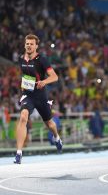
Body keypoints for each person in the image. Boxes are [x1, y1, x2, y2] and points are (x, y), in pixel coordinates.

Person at [14, 34, 63, 164]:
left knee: (50, 124)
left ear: (36, 46)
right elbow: (26, 75)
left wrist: (45, 82)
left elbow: (55, 77)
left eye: (31, 44)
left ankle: (57, 138)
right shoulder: (20, 59)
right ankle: (19, 153)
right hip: (28, 95)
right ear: (25, 45)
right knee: (23, 117)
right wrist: (23, 84)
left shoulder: (42, 60)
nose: (29, 46)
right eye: (27, 43)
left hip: (41, 96)